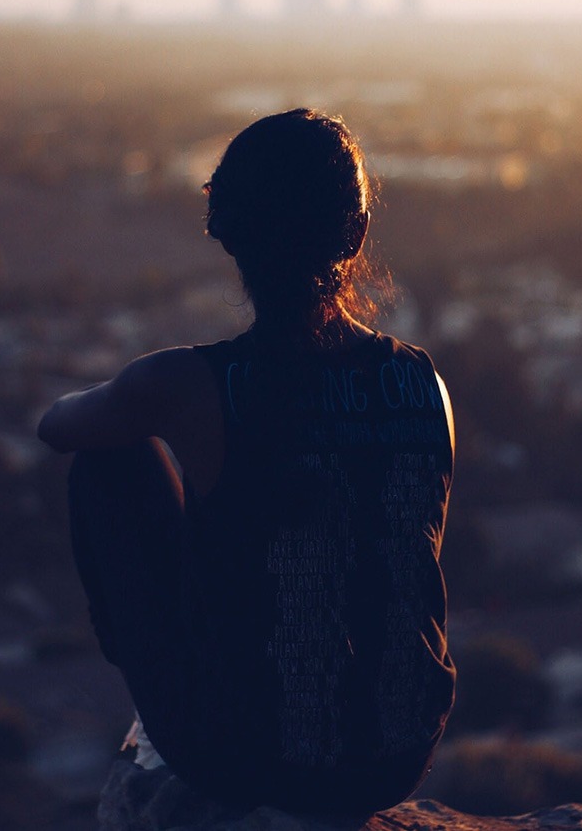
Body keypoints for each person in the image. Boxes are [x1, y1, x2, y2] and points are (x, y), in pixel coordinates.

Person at [37, 109, 456, 818]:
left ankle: (163, 712)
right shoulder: (423, 383)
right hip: (397, 758)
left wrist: (142, 397)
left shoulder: (190, 385)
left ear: (226, 233)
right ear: (354, 235)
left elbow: (58, 427)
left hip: (247, 761)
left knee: (108, 462)